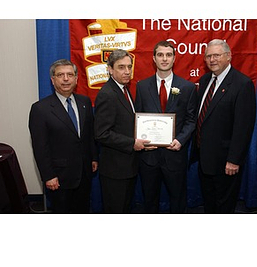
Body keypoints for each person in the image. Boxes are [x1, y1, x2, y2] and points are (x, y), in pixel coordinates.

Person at [135, 40, 198, 213]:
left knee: (178, 200)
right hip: (149, 157)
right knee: (149, 200)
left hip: (175, 156)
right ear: (154, 59)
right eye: (160, 55)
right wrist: (141, 141)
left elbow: (191, 120)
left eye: (168, 55)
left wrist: (181, 140)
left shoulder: (188, 87)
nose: (164, 59)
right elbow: (138, 118)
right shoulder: (141, 86)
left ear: (174, 58)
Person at [29, 59, 98, 213]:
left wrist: (93, 157)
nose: (66, 79)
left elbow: (88, 135)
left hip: (84, 174)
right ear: (53, 80)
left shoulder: (84, 102)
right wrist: (49, 176)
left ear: (76, 79)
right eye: (60, 75)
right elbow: (40, 147)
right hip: (59, 178)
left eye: (70, 74)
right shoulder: (40, 109)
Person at [195, 39, 256, 213]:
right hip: (204, 158)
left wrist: (234, 160)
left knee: (224, 206)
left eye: (216, 55)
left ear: (228, 56)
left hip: (226, 162)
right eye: (208, 56)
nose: (212, 60)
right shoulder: (206, 79)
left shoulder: (242, 84)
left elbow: (243, 126)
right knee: (209, 203)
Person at [94, 49, 149, 213]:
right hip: (115, 171)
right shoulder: (107, 94)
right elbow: (102, 133)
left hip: (127, 167)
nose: (127, 71)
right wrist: (132, 143)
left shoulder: (123, 90)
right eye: (121, 67)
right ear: (110, 69)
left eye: (129, 67)